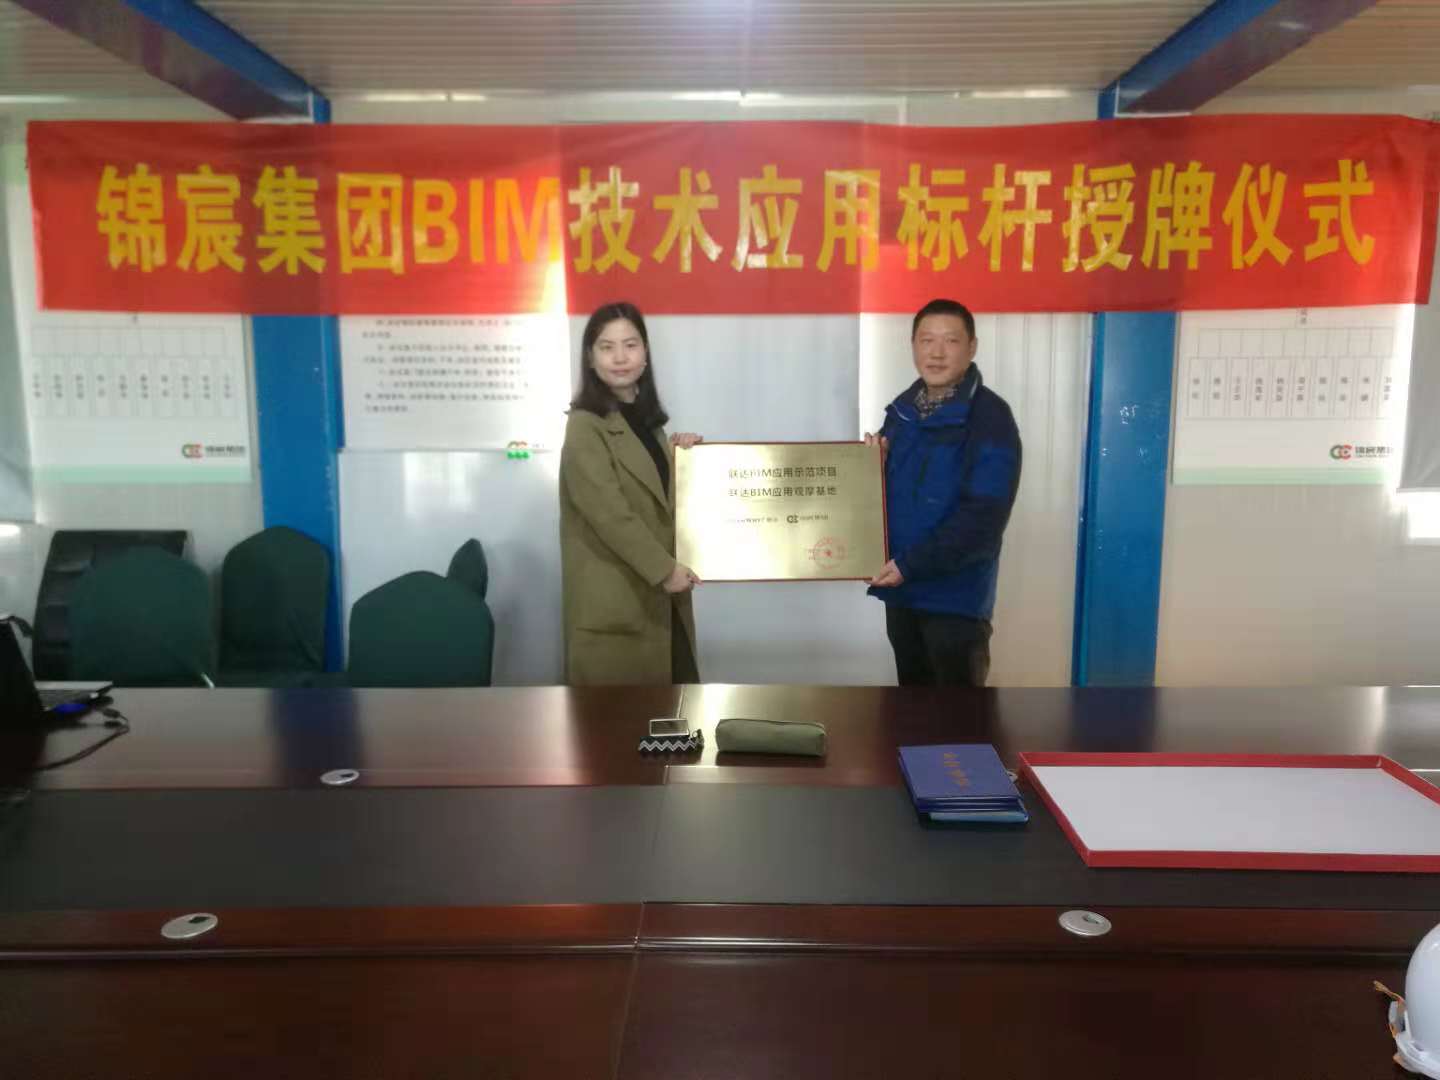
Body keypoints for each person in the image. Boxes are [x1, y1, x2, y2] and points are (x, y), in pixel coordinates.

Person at [865, 298, 1021, 687]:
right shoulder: (901, 414)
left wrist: (911, 565)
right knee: (912, 708)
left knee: (957, 718)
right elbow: (881, 497)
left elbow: (982, 520)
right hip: (902, 593)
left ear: (972, 348)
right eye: (926, 340)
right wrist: (868, 468)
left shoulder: (989, 417)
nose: (936, 353)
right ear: (913, 346)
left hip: (955, 602)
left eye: (950, 340)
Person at [559, 301, 703, 685]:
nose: (620, 358)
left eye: (630, 345)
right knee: (623, 720)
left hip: (662, 600)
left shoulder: (647, 422)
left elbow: (655, 499)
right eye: (606, 347)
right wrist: (664, 570)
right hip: (620, 604)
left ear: (645, 353)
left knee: (672, 713)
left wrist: (685, 459)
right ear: (590, 358)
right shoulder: (584, 426)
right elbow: (609, 513)